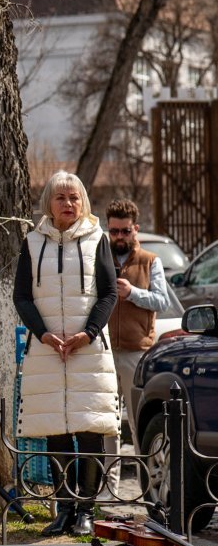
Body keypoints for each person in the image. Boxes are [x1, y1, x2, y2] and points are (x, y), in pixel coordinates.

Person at [14, 170, 118, 537]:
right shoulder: (31, 242)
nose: (68, 204)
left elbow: (108, 294)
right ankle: (63, 508)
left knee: (89, 430)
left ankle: (87, 509)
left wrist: (86, 333)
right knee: (55, 432)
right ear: (49, 203)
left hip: (87, 351)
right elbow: (22, 297)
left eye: (74, 197)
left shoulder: (97, 239)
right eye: (60, 197)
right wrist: (43, 335)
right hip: (46, 351)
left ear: (83, 201)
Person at [102, 197, 172, 497]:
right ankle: (109, 489)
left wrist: (133, 293)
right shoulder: (99, 258)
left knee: (140, 425)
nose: (119, 237)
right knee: (107, 425)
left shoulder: (150, 260)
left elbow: (163, 301)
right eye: (114, 231)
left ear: (135, 230)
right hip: (103, 351)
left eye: (125, 231)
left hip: (136, 353)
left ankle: (151, 490)